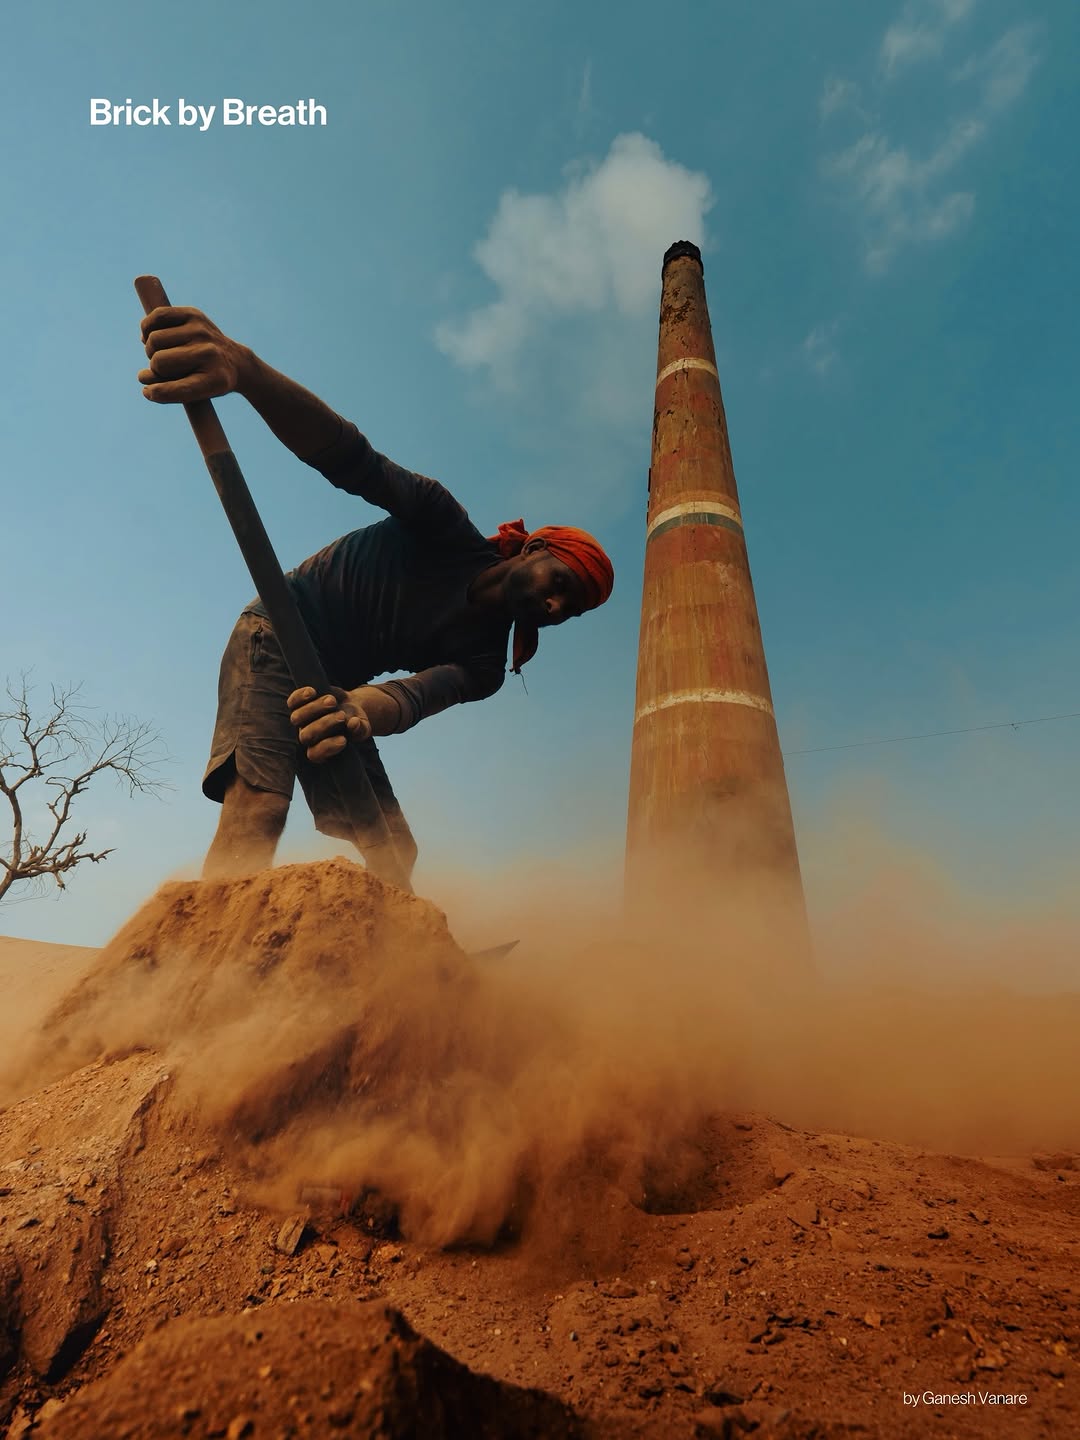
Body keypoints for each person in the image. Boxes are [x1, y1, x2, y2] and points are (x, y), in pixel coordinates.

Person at [138, 305, 614, 883]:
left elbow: (408, 698)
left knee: (394, 853)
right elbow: (348, 458)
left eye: (571, 610)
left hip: (334, 692)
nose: (556, 607)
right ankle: (205, 938)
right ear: (533, 548)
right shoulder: (440, 523)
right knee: (259, 808)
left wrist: (354, 711)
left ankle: (370, 942)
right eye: (560, 583)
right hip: (277, 633)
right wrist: (246, 370)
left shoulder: (485, 664)